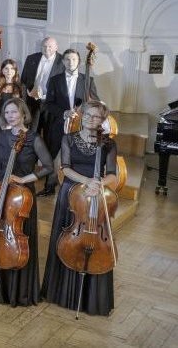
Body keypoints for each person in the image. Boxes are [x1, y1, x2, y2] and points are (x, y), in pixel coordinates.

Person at [41, 101, 118, 316]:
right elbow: (65, 169)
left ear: (102, 120)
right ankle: (59, 292)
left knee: (95, 240)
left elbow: (113, 174)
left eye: (96, 116)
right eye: (87, 115)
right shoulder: (69, 139)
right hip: (72, 195)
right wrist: (87, 182)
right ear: (81, 116)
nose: (91, 119)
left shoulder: (109, 144)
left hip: (95, 194)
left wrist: (99, 184)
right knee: (66, 239)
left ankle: (90, 298)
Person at [0, 98, 52, 307]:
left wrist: (23, 179)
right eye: (7, 112)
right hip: (1, 192)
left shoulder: (34, 138)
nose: (10, 116)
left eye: (14, 112)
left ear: (23, 114)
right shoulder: (2, 136)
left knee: (17, 236)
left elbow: (48, 167)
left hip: (21, 196)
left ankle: (18, 290)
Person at [40, 49, 99, 197]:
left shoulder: (88, 80)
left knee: (77, 156)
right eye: (67, 59)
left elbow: (96, 103)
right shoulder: (55, 80)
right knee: (55, 156)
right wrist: (64, 112)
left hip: (81, 126)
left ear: (79, 61)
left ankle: (76, 188)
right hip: (59, 123)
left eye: (73, 59)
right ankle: (49, 186)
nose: (70, 62)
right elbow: (48, 104)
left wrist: (86, 109)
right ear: (63, 61)